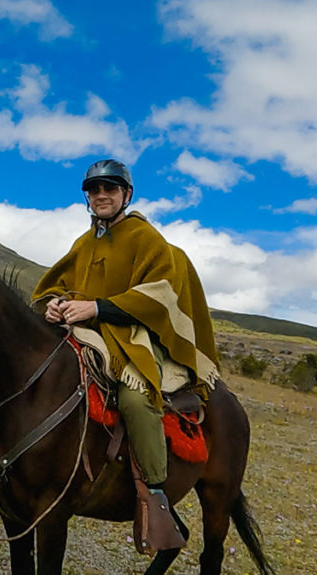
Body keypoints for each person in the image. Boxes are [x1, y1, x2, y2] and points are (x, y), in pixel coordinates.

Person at [31, 159, 220, 550]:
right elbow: (58, 284)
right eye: (94, 189)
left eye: (110, 189)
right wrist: (54, 303)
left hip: (136, 338)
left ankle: (155, 495)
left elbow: (161, 294)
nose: (101, 195)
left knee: (135, 398)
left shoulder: (145, 238)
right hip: (85, 334)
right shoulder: (85, 243)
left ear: (125, 195)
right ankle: (23, 479)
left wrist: (98, 308)